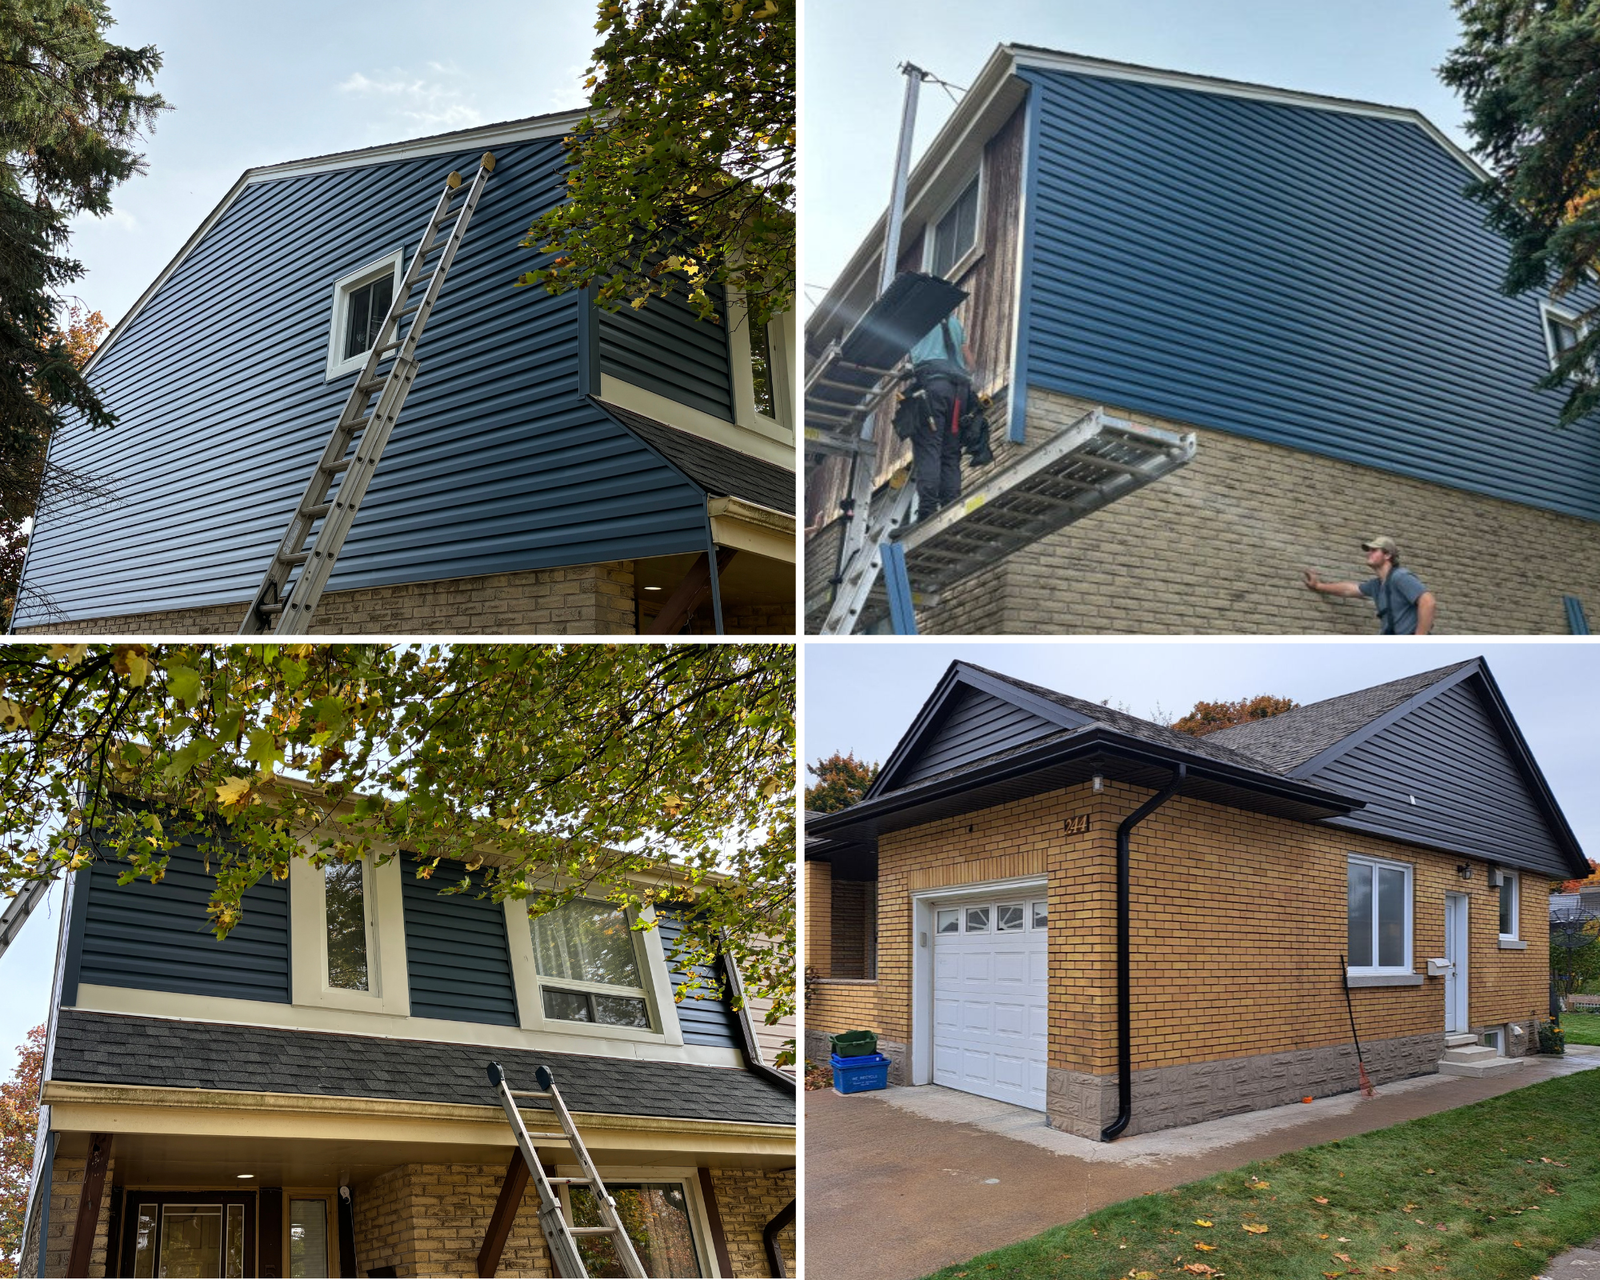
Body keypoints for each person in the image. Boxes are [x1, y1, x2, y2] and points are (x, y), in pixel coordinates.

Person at [900, 312, 974, 520]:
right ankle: (951, 506)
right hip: (959, 393)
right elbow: (971, 365)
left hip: (932, 388)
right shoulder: (955, 323)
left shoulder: (918, 318)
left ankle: (927, 511)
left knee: (929, 447)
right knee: (950, 451)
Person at [1303, 536, 1436, 635]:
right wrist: (1318, 586)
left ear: (1387, 555)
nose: (1369, 553)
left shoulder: (1400, 577)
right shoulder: (1376, 585)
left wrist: (1418, 640)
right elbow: (1348, 590)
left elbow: (1428, 602)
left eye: (1374, 550)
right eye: (1369, 550)